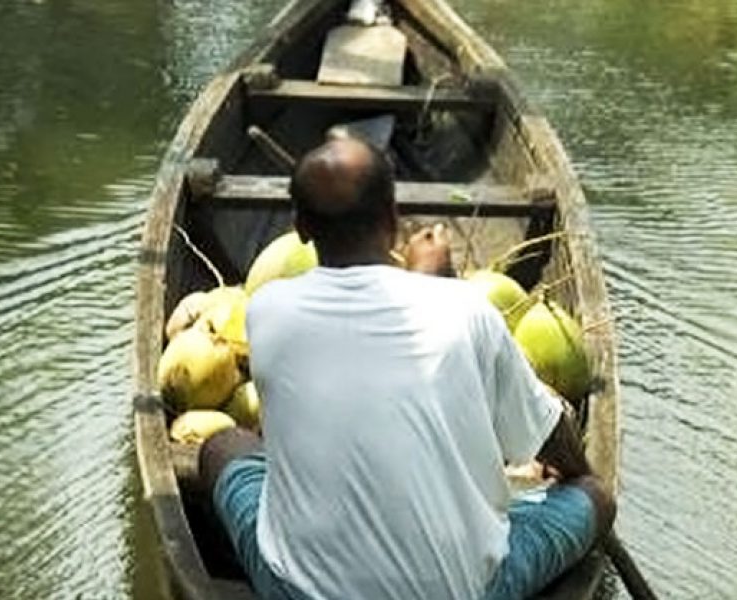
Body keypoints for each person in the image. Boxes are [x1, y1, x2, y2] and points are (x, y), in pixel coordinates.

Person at [199, 138, 615, 600]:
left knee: (222, 447)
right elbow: (551, 438)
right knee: (595, 498)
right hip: (465, 592)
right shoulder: (468, 309)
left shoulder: (266, 310)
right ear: (393, 219)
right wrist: (576, 473)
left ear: (300, 227)